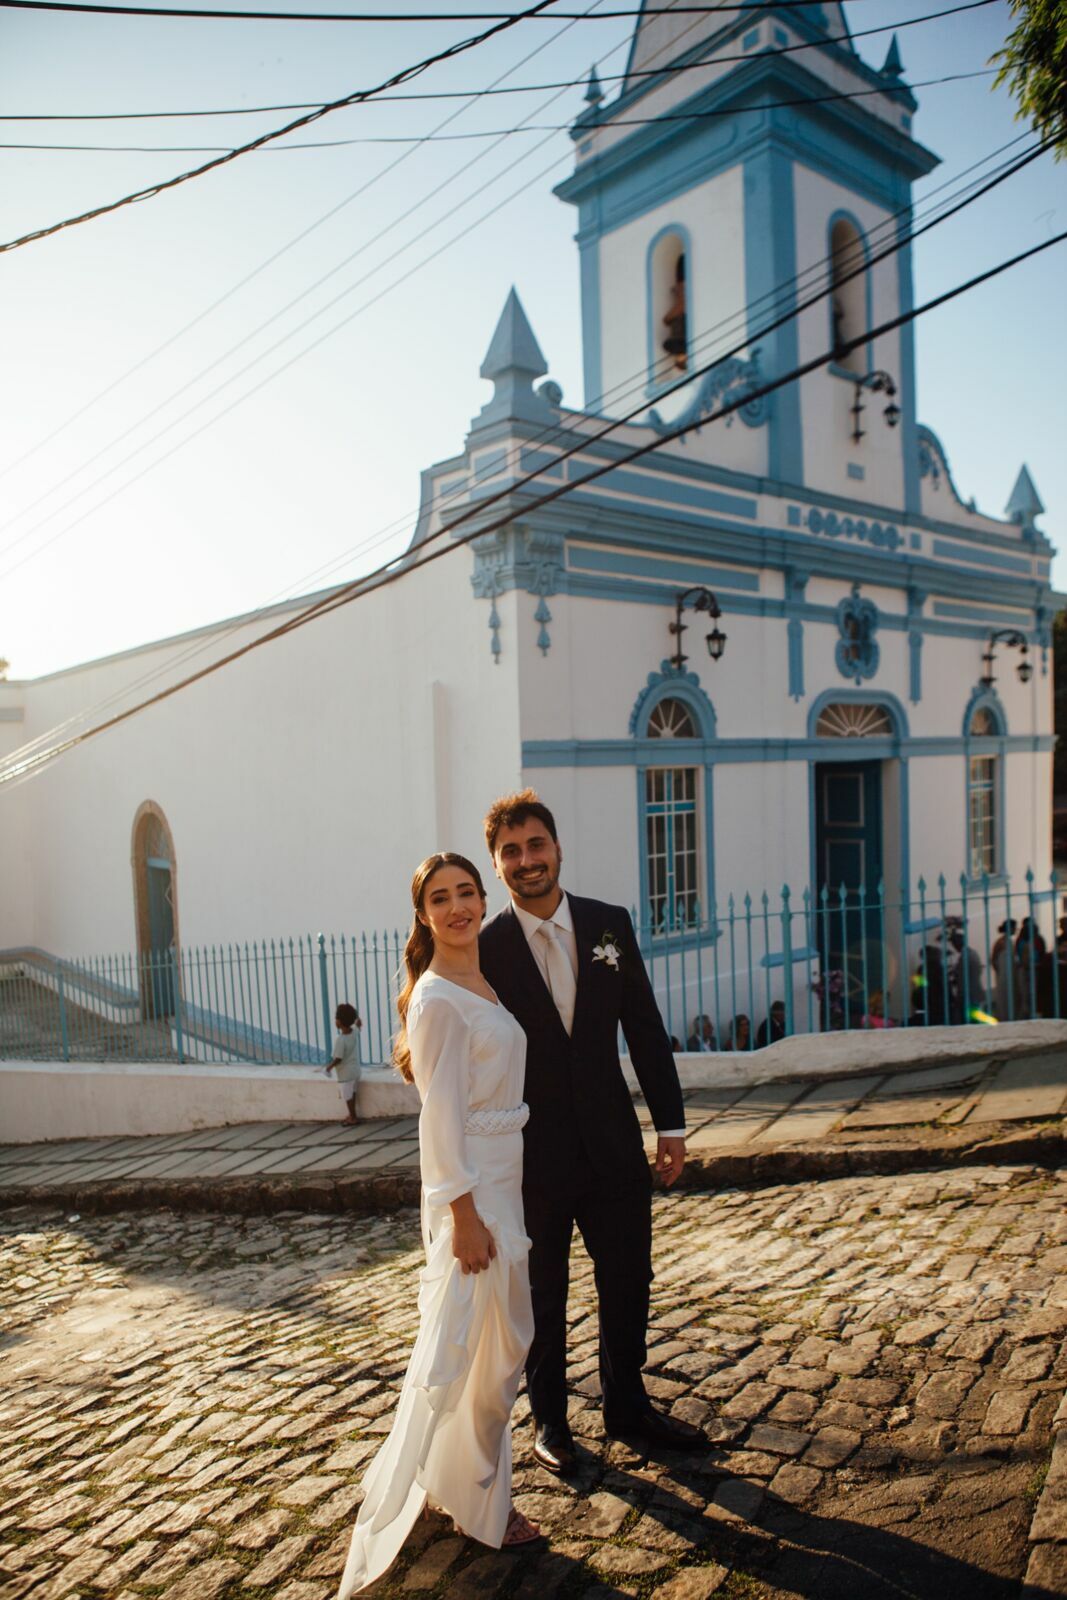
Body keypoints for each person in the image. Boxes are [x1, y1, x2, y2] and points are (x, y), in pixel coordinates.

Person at [479, 789, 704, 1476]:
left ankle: (627, 1403)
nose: (526, 861)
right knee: (543, 1292)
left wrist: (670, 1126)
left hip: (612, 1144)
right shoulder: (485, 950)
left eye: (535, 845)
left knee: (628, 1277)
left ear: (557, 847)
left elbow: (643, 1027)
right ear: (497, 866)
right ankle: (549, 1419)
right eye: (510, 852)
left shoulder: (608, 925)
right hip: (532, 1157)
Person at [339, 853, 540, 1598]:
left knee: (492, 1342)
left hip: (504, 1180)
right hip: (475, 1194)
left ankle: (446, 1477)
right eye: (439, 898)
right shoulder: (435, 1002)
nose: (457, 907)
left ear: (482, 900)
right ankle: (480, 1499)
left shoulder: (481, 980)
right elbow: (439, 1122)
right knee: (485, 1347)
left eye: (465, 893)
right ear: (422, 915)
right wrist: (463, 1216)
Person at [324, 1002, 363, 1124]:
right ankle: (353, 1115)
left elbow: (338, 1058)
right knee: (353, 1093)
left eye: (336, 1018)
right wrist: (356, 1019)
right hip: (355, 1071)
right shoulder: (354, 1032)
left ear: (339, 1022)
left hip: (345, 1075)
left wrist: (329, 1067)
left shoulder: (340, 1040)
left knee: (347, 1096)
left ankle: (352, 1117)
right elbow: (358, 1025)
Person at [990, 919, 1017, 1020]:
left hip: (1010, 974)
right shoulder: (1000, 942)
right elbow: (993, 959)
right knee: (1003, 997)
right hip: (1003, 975)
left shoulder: (1009, 941)